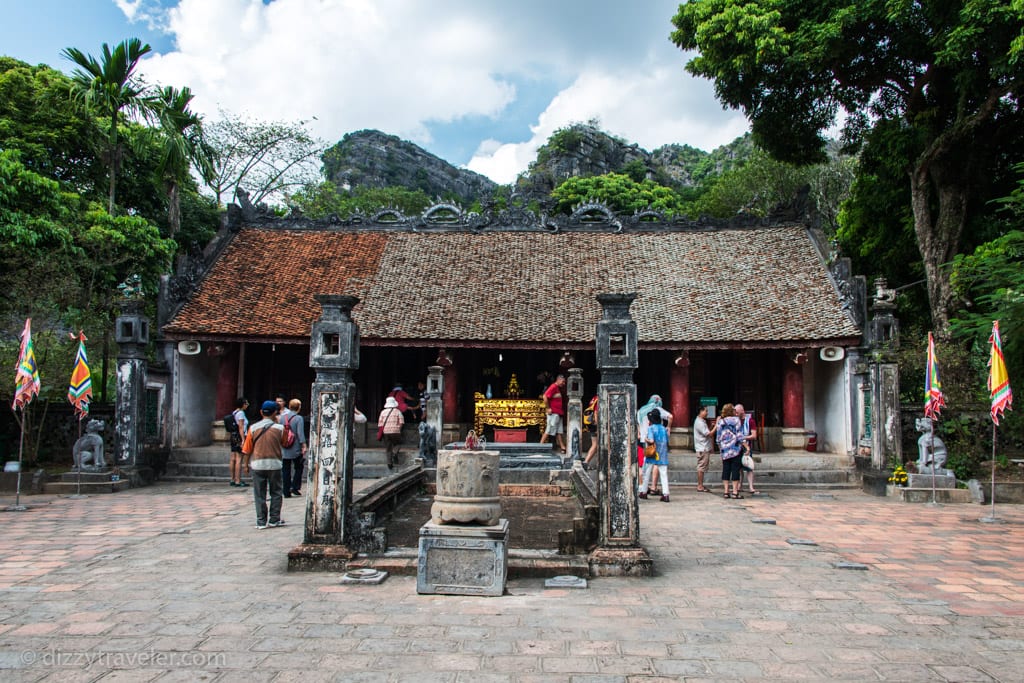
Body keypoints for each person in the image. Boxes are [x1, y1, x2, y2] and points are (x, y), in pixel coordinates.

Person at [245, 400, 288, 529]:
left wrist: (245, 464)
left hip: (257, 464)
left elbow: (247, 449)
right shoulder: (280, 429)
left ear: (261, 412)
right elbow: (285, 443)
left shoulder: (253, 428)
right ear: (275, 413)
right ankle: (274, 519)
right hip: (275, 464)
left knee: (259, 494)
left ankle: (261, 521)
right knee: (276, 492)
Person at [636, 395, 672, 488]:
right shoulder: (657, 409)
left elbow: (638, 426)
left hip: (644, 441)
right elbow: (670, 416)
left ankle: (643, 487)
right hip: (657, 440)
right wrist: (668, 427)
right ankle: (653, 487)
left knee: (644, 464)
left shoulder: (640, 411)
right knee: (657, 462)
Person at [639, 409, 671, 502]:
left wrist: (646, 439)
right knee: (664, 474)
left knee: (647, 472)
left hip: (652, 453)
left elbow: (652, 440)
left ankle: (644, 492)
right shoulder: (663, 428)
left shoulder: (651, 428)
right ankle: (666, 494)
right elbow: (667, 441)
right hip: (663, 453)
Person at [716, 403, 744, 499]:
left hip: (725, 449)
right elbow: (739, 435)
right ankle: (735, 492)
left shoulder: (720, 422)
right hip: (735, 449)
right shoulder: (736, 420)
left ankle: (726, 491)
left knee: (726, 469)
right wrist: (746, 446)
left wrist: (720, 448)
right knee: (735, 469)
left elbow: (718, 438)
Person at [281, 399, 307, 498]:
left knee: (286, 469)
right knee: (299, 467)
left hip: (285, 446)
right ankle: (295, 486)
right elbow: (300, 433)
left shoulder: (282, 418)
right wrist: (303, 445)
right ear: (299, 407)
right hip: (295, 446)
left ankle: (286, 489)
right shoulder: (298, 418)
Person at [735, 403, 760, 495]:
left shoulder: (750, 421)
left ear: (742, 411)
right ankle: (739, 486)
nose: (736, 414)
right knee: (738, 468)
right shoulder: (735, 421)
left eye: (737, 412)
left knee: (749, 467)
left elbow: (754, 435)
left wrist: (743, 437)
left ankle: (751, 487)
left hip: (747, 447)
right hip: (737, 447)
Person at [539, 374, 567, 452]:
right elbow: (545, 396)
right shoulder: (553, 387)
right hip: (553, 413)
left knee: (559, 431)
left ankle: (562, 447)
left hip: (558, 413)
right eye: (563, 381)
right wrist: (548, 408)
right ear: (558, 380)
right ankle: (540, 445)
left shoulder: (557, 388)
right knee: (549, 429)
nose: (563, 383)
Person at [693, 405, 717, 492]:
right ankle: (700, 485)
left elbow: (706, 432)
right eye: (705, 411)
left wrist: (711, 427)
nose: (707, 413)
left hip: (703, 447)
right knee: (701, 467)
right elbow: (709, 434)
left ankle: (701, 485)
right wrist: (716, 426)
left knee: (702, 467)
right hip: (702, 448)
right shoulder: (699, 422)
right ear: (701, 411)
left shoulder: (702, 421)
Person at [378, 396, 405, 469]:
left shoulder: (383, 412)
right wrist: (398, 429)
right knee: (399, 443)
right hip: (395, 431)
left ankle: (389, 463)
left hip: (386, 432)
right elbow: (401, 422)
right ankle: (395, 452)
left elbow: (380, 424)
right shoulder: (397, 411)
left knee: (388, 447)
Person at [229, 397, 250, 487]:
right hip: (239, 436)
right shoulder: (241, 413)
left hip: (233, 436)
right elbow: (241, 427)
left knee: (233, 458)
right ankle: (238, 480)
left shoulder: (234, 412)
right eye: (246, 403)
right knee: (239, 458)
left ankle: (232, 479)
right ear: (243, 404)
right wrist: (243, 439)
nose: (247, 405)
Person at [582, 394, 599, 470]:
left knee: (595, 445)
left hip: (591, 424)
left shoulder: (594, 398)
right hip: (595, 425)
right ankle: (586, 462)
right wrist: (598, 426)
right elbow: (596, 412)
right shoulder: (599, 398)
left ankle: (586, 462)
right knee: (596, 445)